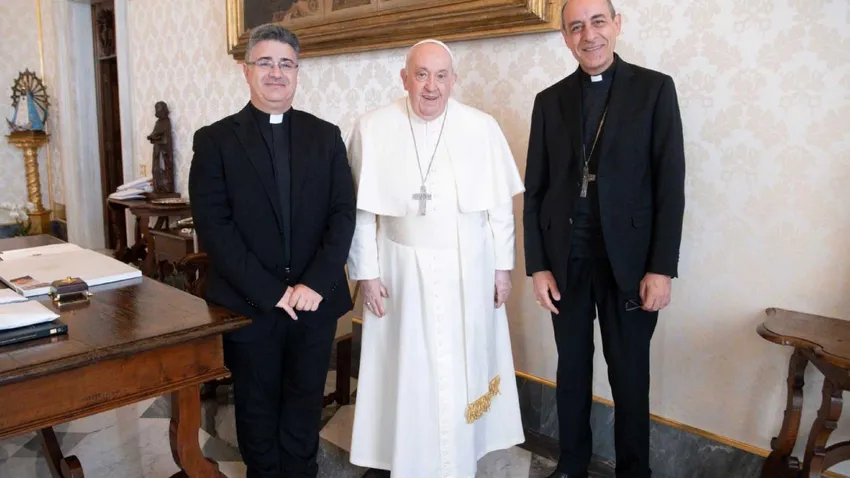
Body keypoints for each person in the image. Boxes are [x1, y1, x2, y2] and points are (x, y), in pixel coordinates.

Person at [344, 39, 526, 477]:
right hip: (399, 271)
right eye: (421, 75)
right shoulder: (372, 128)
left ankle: (460, 457)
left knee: (464, 366)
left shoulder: (481, 128)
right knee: (409, 369)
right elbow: (360, 212)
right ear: (404, 78)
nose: (431, 86)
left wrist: (502, 269)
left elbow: (499, 208)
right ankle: (407, 458)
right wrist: (366, 275)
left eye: (441, 76)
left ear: (453, 80)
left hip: (469, 269)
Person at [522, 0, 686, 476]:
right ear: (564, 37)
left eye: (598, 22)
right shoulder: (548, 101)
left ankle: (634, 471)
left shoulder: (655, 89)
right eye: (576, 27)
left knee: (630, 377)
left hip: (630, 265)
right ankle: (571, 464)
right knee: (571, 370)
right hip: (566, 261)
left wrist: (661, 268)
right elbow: (535, 191)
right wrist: (538, 265)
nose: (588, 35)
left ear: (617, 25)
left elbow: (670, 185)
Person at [188, 23, 356, 478]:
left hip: (313, 303)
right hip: (249, 304)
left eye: (286, 64)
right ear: (246, 71)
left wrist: (314, 283)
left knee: (304, 409)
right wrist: (271, 291)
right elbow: (215, 228)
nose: (276, 73)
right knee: (256, 413)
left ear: (298, 72)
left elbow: (343, 215)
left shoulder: (326, 136)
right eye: (265, 62)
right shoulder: (214, 141)